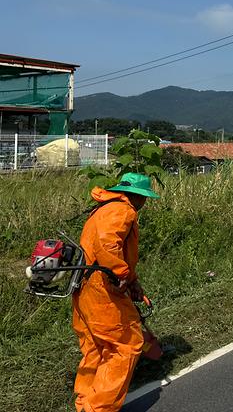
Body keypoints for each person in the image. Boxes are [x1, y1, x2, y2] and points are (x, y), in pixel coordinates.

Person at [72, 172, 160, 412]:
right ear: (137, 196)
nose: (144, 203)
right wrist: (121, 274)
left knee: (96, 346)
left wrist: (132, 282)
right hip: (103, 289)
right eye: (145, 198)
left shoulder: (103, 208)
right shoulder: (123, 210)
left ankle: (86, 402)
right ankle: (99, 408)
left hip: (84, 285)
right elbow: (107, 244)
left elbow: (106, 250)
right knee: (127, 345)